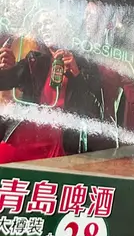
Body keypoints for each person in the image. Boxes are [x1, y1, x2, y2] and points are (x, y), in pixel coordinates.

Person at [0, 10, 107, 163]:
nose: (44, 28)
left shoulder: (85, 65)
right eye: (41, 25)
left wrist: (76, 75)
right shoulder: (34, 61)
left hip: (61, 140)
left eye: (49, 22)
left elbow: (95, 110)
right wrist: (5, 68)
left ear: (64, 26)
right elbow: (5, 81)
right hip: (28, 133)